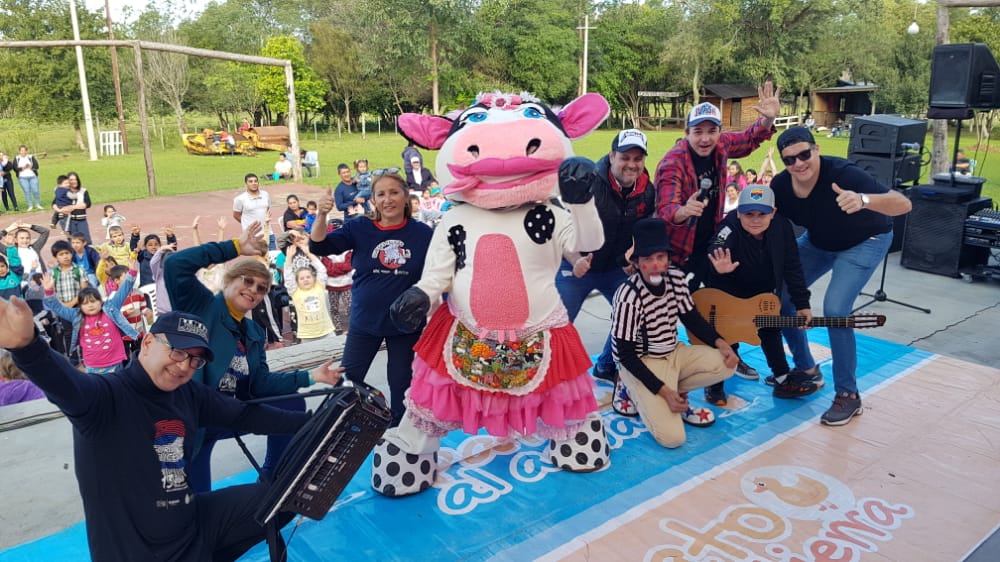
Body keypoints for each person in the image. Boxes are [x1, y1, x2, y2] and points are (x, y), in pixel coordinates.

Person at [0, 305, 316, 561]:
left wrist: (311, 424)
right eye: (178, 352)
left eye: (195, 359)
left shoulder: (189, 393)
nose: (184, 366)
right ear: (148, 343)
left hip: (193, 526)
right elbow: (65, 383)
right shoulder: (104, 398)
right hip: (136, 551)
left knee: (286, 499)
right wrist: (28, 348)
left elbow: (246, 415)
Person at [165, 222, 343, 492]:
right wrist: (235, 247)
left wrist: (311, 376)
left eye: (261, 288)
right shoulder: (201, 306)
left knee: (291, 404)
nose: (253, 290)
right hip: (195, 418)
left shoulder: (253, 332)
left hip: (230, 413)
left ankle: (272, 478)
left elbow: (260, 384)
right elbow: (175, 265)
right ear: (229, 280)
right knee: (196, 501)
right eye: (247, 281)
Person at [770, 126, 912, 426]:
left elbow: (903, 204)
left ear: (816, 149)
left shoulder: (844, 174)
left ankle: (848, 395)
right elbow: (763, 221)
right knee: (779, 295)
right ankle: (807, 369)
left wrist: (863, 200)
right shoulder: (781, 186)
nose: (799, 164)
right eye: (790, 160)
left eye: (804, 154)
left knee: (835, 309)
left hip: (866, 240)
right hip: (819, 241)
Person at [654, 81, 780, 401]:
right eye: (698, 131)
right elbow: (665, 209)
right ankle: (652, 370)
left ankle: (720, 374)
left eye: (712, 130)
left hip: (710, 243)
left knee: (721, 304)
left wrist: (766, 120)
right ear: (687, 132)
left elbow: (749, 140)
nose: (706, 138)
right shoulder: (673, 162)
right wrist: (683, 211)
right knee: (671, 311)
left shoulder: (720, 146)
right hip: (678, 251)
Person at [309, 172, 433, 426]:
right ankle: (338, 428)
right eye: (381, 194)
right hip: (365, 322)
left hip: (405, 325)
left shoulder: (422, 233)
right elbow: (319, 246)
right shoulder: (360, 227)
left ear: (406, 196)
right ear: (373, 200)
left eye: (394, 192)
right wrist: (322, 215)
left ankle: (398, 431)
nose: (388, 199)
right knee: (349, 380)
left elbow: (440, 271)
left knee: (401, 383)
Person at [611, 217, 738, 448]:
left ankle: (671, 394)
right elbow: (626, 354)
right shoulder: (629, 296)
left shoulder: (676, 278)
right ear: (637, 264)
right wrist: (664, 391)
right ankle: (630, 388)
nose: (656, 265)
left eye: (661, 257)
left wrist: (722, 343)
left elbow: (692, 318)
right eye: (648, 259)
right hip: (643, 361)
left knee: (727, 363)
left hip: (674, 351)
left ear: (668, 259)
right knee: (673, 439)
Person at [556, 129, 656, 383]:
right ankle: (548, 381)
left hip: (615, 269)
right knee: (555, 327)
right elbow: (562, 226)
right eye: (625, 157)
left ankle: (605, 366)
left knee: (635, 316)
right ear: (612, 156)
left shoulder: (647, 190)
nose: (631, 165)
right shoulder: (587, 181)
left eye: (638, 158)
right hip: (578, 265)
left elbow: (643, 229)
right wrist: (575, 258)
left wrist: (635, 258)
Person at [704, 184, 817, 402]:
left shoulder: (782, 227)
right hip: (728, 294)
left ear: (773, 212)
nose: (755, 220)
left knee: (770, 329)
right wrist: (717, 264)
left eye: (762, 214)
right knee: (725, 337)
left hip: (762, 293)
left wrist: (802, 303)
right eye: (749, 214)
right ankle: (714, 385)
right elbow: (715, 245)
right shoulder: (729, 226)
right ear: (738, 213)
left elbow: (792, 267)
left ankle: (782, 377)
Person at [42, 262, 140, 375]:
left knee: (116, 390)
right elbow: (58, 308)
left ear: (100, 301)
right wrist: (49, 291)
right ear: (80, 306)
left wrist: (132, 273)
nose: (90, 305)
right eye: (85, 303)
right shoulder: (76, 315)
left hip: (114, 363)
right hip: (92, 366)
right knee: (98, 391)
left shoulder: (110, 308)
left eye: (93, 301)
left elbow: (124, 291)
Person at [65, 172, 94, 244]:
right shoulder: (64, 192)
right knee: (72, 242)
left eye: (75, 179)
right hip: (69, 221)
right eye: (71, 180)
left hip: (81, 220)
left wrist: (72, 207)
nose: (74, 181)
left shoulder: (83, 191)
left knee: (87, 241)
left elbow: (88, 204)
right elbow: (55, 203)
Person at [14, 145, 42, 211]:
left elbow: (36, 166)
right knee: (27, 191)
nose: (23, 152)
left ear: (26, 151)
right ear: (19, 151)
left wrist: (30, 167)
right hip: (22, 178)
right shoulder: (17, 158)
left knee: (35, 191)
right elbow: (15, 168)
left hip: (32, 176)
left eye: (24, 150)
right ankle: (30, 205)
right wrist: (22, 167)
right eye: (21, 150)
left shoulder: (31, 157)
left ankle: (38, 204)